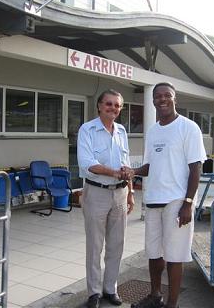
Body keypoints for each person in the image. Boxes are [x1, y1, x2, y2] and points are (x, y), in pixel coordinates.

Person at [126, 82, 206, 308]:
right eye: (157, 96)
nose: (162, 99)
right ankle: (155, 296)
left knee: (175, 255)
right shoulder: (152, 131)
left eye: (166, 95)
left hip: (177, 200)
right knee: (153, 253)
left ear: (174, 98)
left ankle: (172, 304)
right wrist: (133, 172)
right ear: (152, 101)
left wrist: (188, 203)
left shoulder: (188, 128)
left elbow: (195, 168)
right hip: (153, 200)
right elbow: (150, 165)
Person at [77, 89, 135, 308]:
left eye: (117, 105)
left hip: (120, 194)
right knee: (94, 246)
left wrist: (130, 192)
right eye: (109, 104)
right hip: (96, 193)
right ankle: (94, 293)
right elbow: (87, 163)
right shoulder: (87, 130)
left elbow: (126, 163)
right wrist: (113, 173)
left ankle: (110, 288)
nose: (113, 108)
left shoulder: (121, 131)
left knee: (116, 245)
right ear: (99, 106)